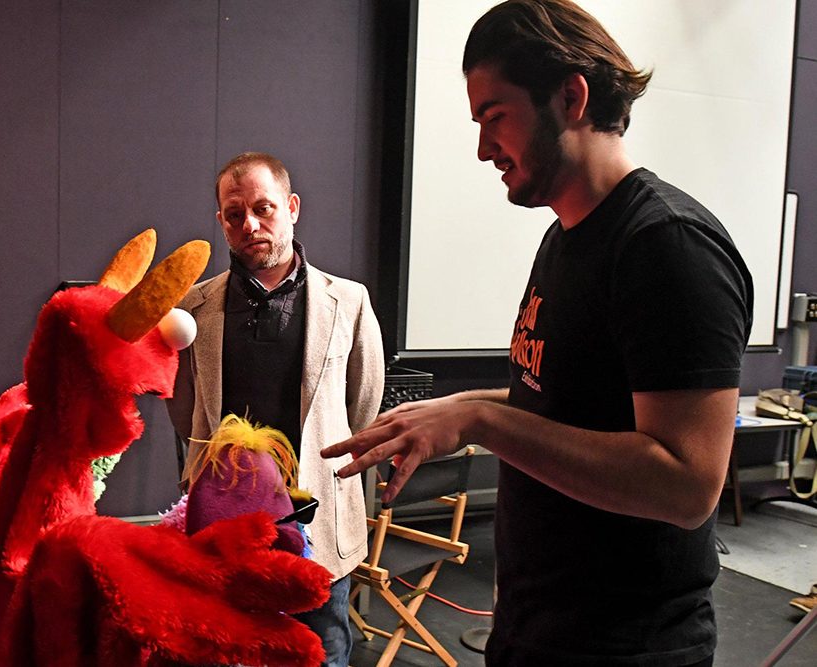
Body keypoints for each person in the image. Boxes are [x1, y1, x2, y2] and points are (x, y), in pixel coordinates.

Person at [322, 1, 753, 665]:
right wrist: (461, 410)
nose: (483, 148)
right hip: (537, 628)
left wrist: (481, 421)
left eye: (495, 117)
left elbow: (688, 485)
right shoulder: (566, 238)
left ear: (571, 97)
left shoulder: (667, 246)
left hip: (625, 649)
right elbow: (565, 407)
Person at [167, 151, 385, 667]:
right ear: (221, 221)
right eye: (235, 213)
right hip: (226, 516)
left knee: (321, 649)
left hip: (316, 518)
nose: (251, 224)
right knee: (226, 649)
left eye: (264, 208)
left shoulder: (348, 301)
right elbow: (185, 413)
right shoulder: (193, 308)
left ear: (291, 207)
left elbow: (364, 406)